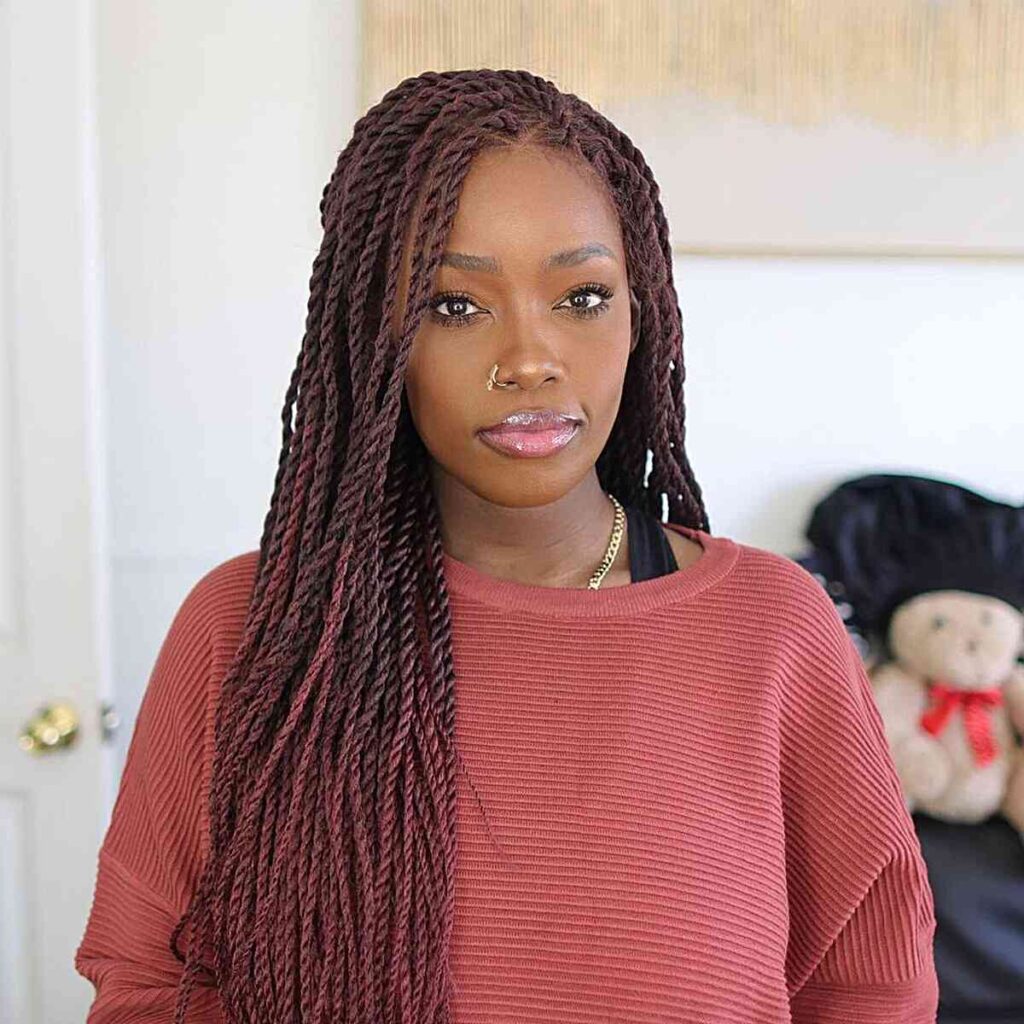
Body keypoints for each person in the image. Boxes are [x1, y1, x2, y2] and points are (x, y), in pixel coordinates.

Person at [74, 68, 939, 1023]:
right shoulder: (255, 631)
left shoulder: (772, 629)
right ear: (374, 336)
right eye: (455, 305)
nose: (529, 358)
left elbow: (873, 990)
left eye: (582, 296)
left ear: (641, 314)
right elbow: (146, 986)